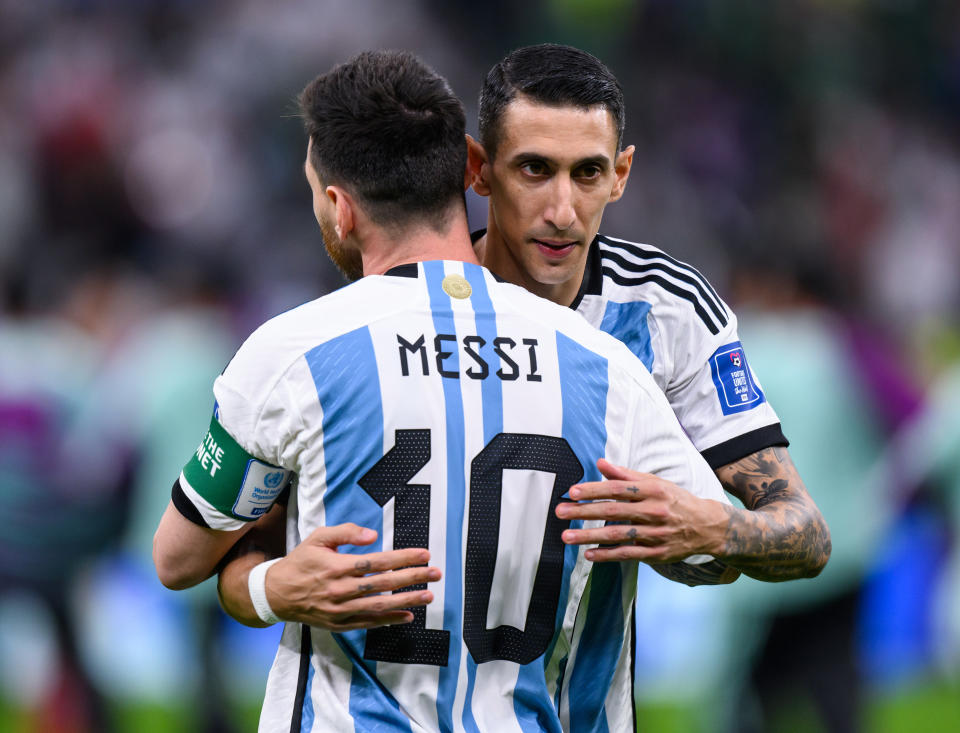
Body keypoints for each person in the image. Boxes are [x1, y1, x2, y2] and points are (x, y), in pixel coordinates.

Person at [153, 50, 736, 732]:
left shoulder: (295, 353)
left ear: (340, 209)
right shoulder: (605, 364)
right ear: (469, 170)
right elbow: (711, 544)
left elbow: (177, 557)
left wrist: (268, 585)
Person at [215, 43, 830, 628]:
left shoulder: (665, 308)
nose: (562, 210)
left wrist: (711, 530)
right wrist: (271, 590)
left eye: (588, 173)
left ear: (621, 175)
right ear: (478, 170)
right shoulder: (382, 313)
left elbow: (804, 534)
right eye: (534, 169)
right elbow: (245, 551)